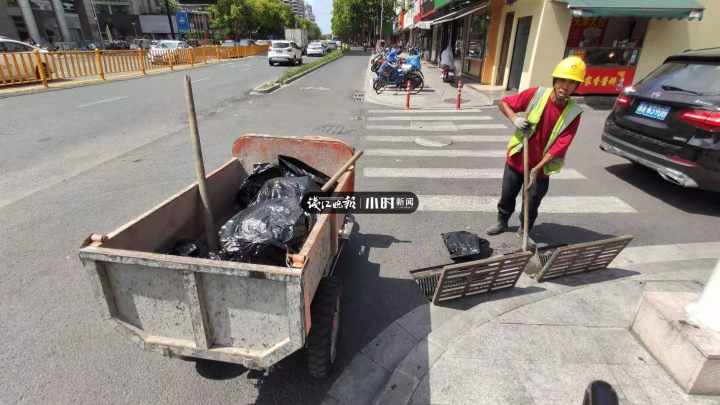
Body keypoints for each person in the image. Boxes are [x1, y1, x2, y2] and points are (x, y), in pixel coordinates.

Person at [486, 56, 586, 239]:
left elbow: (561, 144)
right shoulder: (536, 94)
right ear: (555, 80)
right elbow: (504, 103)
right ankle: (502, 221)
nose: (566, 85)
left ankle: (525, 230)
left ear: (576, 86)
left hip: (540, 169)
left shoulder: (574, 113)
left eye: (572, 82)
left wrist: (537, 169)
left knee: (531, 203)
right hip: (517, 159)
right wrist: (514, 118)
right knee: (507, 196)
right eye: (562, 80)